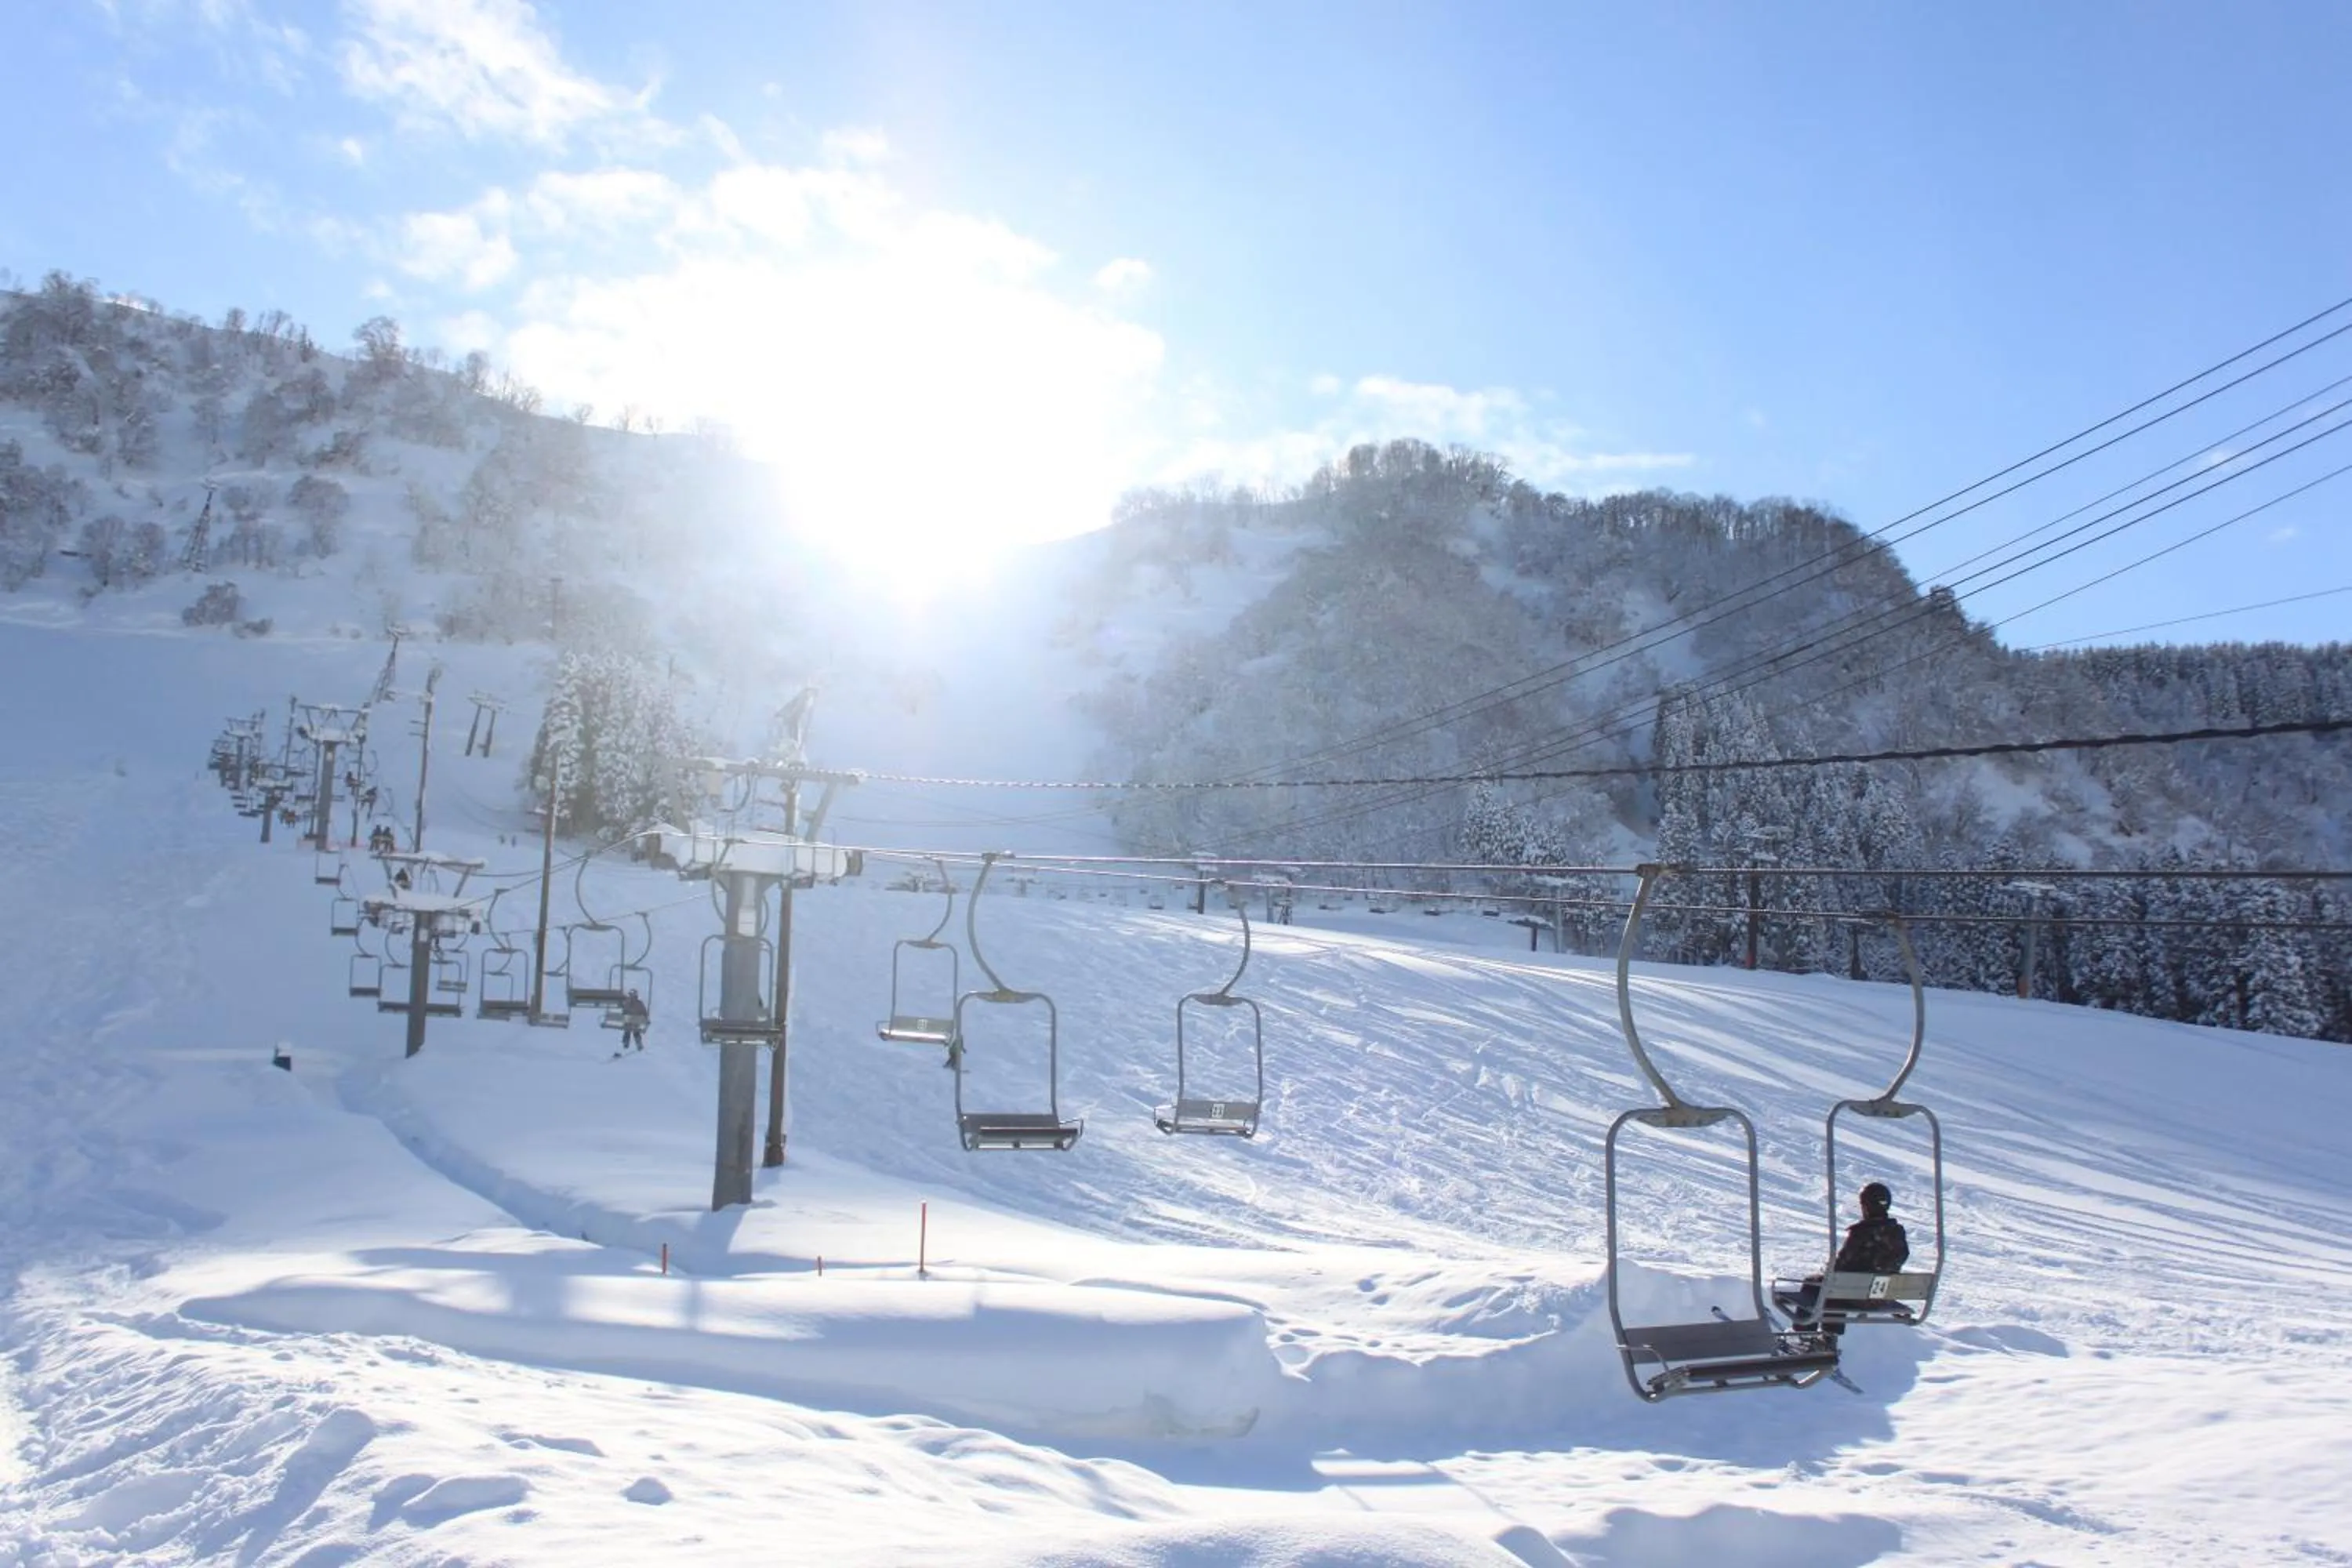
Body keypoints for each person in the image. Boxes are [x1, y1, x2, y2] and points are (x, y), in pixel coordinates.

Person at [1784, 1182, 1911, 1337]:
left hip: (1856, 1295)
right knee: (1839, 1287)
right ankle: (1830, 1336)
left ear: (1866, 1206)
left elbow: (1841, 1266)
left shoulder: (1862, 1233)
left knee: (1819, 1284)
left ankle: (1803, 1334)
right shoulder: (1896, 1233)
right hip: (1880, 1296)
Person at [618, 989, 649, 1053]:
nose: (631, 997)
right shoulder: (627, 1003)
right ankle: (626, 1044)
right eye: (630, 996)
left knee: (635, 1031)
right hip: (629, 1021)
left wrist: (645, 1018)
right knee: (627, 1031)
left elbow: (644, 1012)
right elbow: (624, 1012)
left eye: (632, 996)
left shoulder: (639, 1003)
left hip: (635, 1022)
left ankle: (638, 1044)